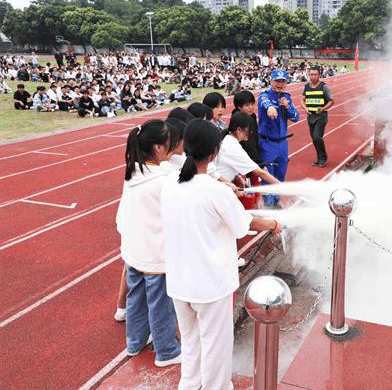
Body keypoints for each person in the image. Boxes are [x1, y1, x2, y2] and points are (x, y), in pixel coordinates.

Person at [160, 121, 283, 390]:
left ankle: (189, 386)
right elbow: (245, 224)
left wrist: (226, 191)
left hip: (180, 282)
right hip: (211, 285)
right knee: (216, 346)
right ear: (215, 152)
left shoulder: (170, 181)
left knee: (192, 343)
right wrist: (274, 224)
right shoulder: (215, 191)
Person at [116, 119, 182, 367]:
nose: (173, 145)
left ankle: (134, 342)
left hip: (135, 250)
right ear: (158, 147)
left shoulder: (134, 172)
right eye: (169, 142)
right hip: (157, 254)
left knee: (137, 298)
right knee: (161, 304)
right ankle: (166, 351)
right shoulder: (164, 181)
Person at [257, 69, 300, 207]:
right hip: (268, 143)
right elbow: (265, 103)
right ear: (271, 81)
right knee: (268, 176)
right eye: (277, 81)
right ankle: (268, 204)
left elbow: (296, 117)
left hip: (283, 144)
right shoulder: (264, 95)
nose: (280, 84)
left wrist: (287, 107)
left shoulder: (286, 97)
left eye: (283, 81)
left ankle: (276, 201)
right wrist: (270, 107)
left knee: (280, 175)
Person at [216, 112, 280, 186]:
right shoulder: (233, 147)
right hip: (219, 188)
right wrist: (283, 186)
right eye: (249, 129)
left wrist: (238, 177)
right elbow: (260, 173)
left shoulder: (227, 138)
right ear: (238, 130)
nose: (251, 132)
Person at [301, 66, 335, 167]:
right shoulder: (306, 87)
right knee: (314, 139)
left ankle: (323, 158)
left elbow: (331, 101)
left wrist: (323, 108)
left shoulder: (324, 87)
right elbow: (302, 99)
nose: (313, 77)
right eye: (311, 74)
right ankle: (319, 157)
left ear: (319, 75)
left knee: (317, 137)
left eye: (315, 75)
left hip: (321, 116)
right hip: (310, 116)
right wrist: (305, 108)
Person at [232, 91, 262, 166]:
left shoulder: (252, 116)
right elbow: (247, 143)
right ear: (239, 107)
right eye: (247, 105)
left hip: (253, 151)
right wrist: (259, 162)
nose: (251, 107)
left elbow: (254, 136)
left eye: (252, 104)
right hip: (243, 156)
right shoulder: (239, 120)